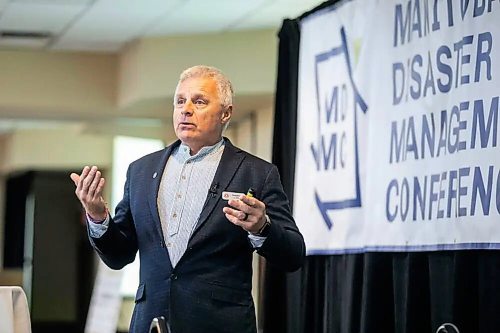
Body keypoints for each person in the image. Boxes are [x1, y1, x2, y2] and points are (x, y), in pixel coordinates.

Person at [70, 65, 305, 333]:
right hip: (151, 321)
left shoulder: (256, 173)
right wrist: (98, 216)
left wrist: (262, 227)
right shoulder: (141, 171)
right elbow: (118, 255)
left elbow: (293, 255)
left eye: (199, 101)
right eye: (180, 101)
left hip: (219, 324)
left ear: (226, 113)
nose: (186, 109)